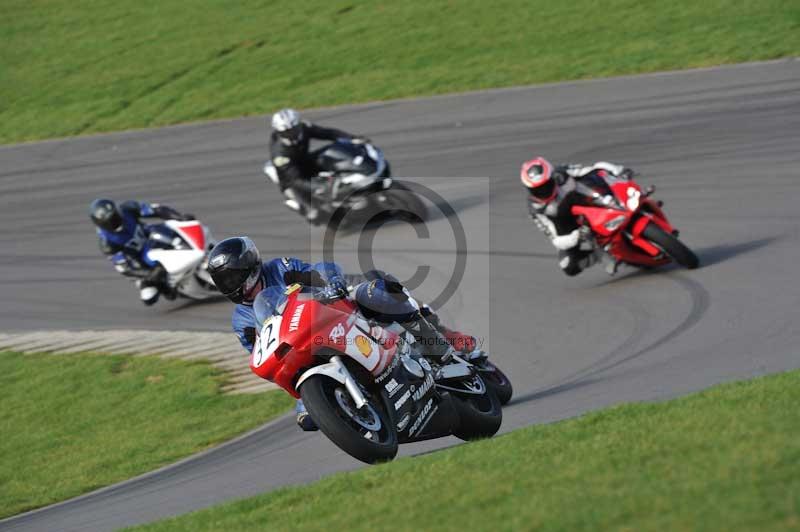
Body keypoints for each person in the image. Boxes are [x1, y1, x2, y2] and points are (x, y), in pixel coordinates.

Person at [206, 236, 475, 431]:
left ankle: (441, 344)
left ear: (251, 268)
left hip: (334, 312)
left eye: (233, 277)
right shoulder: (241, 321)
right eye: (224, 281)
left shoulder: (279, 268)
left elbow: (318, 270)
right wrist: (305, 398)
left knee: (377, 291)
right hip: (306, 348)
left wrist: (331, 283)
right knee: (309, 420)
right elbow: (263, 353)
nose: (232, 286)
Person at [520, 157, 636, 276]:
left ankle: (632, 199)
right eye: (537, 189)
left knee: (598, 175)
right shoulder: (536, 209)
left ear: (552, 176)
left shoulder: (562, 173)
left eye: (545, 185)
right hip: (569, 223)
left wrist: (617, 171)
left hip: (586, 197)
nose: (543, 191)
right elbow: (555, 239)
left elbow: (591, 169)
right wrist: (577, 236)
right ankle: (599, 255)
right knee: (568, 264)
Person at [269, 108, 368, 223]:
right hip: (291, 178)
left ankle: (353, 179)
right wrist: (321, 187)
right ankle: (306, 208)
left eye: (295, 129)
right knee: (314, 215)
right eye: (288, 131)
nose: (293, 133)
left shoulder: (304, 128)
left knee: (331, 152)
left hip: (304, 160)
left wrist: (351, 138)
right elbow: (297, 180)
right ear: (280, 132)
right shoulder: (280, 155)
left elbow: (328, 133)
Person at [89, 198, 194, 305]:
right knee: (148, 297)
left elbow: (157, 210)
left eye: (116, 215)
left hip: (151, 235)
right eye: (111, 220)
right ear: (102, 225)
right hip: (141, 258)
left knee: (182, 223)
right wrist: (150, 274)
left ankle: (197, 245)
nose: (117, 220)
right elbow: (125, 269)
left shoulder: (128, 208)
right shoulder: (107, 244)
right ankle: (169, 288)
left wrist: (179, 217)